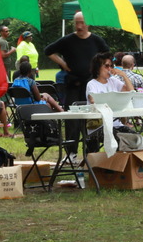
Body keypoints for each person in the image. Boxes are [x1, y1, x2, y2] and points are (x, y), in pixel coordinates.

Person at [44, 13, 109, 157]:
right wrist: (63, 64)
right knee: (72, 119)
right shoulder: (68, 40)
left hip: (91, 84)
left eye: (81, 23)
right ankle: (71, 153)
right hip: (73, 84)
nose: (79, 26)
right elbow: (48, 51)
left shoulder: (97, 41)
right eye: (76, 23)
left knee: (93, 117)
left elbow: (107, 56)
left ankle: (92, 152)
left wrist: (100, 69)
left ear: (88, 23)